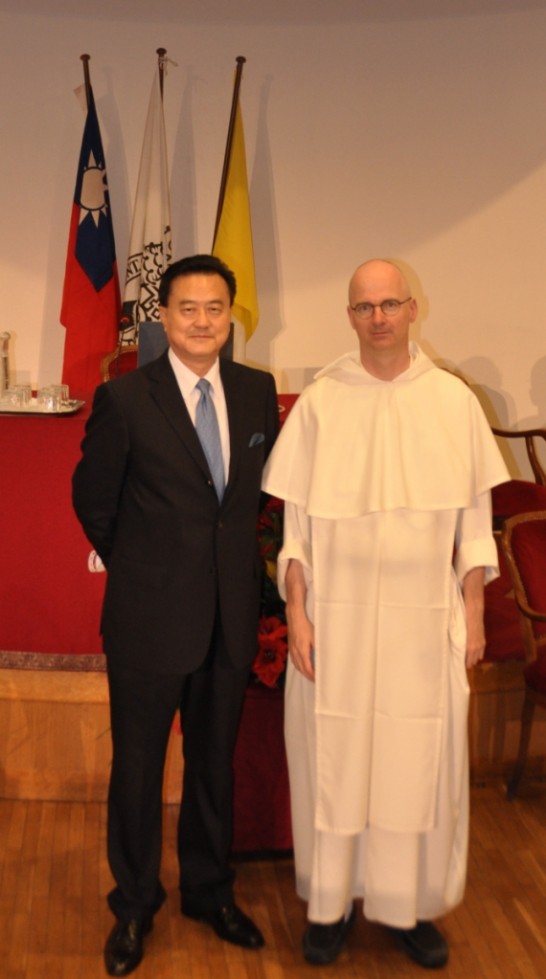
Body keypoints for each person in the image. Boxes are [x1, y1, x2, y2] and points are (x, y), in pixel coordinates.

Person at [262, 259, 509, 969]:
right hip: (334, 620)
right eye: (365, 306)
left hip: (422, 622)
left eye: (390, 304)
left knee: (415, 762)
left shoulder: (452, 401)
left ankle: (408, 906)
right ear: (350, 315)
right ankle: (331, 905)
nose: (378, 318)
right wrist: (298, 613)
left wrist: (474, 615)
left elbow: (473, 525)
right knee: (336, 761)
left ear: (411, 309)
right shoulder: (322, 401)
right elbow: (297, 529)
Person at [72, 254, 279, 976]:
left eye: (215, 308)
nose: (202, 321)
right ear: (162, 316)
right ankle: (133, 905)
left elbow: (254, 500)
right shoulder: (126, 398)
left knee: (213, 765)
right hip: (149, 620)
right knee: (137, 769)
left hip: (230, 617)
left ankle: (208, 891)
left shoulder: (256, 391)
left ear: (230, 316)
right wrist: (143, 570)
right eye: (187, 308)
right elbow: (93, 499)